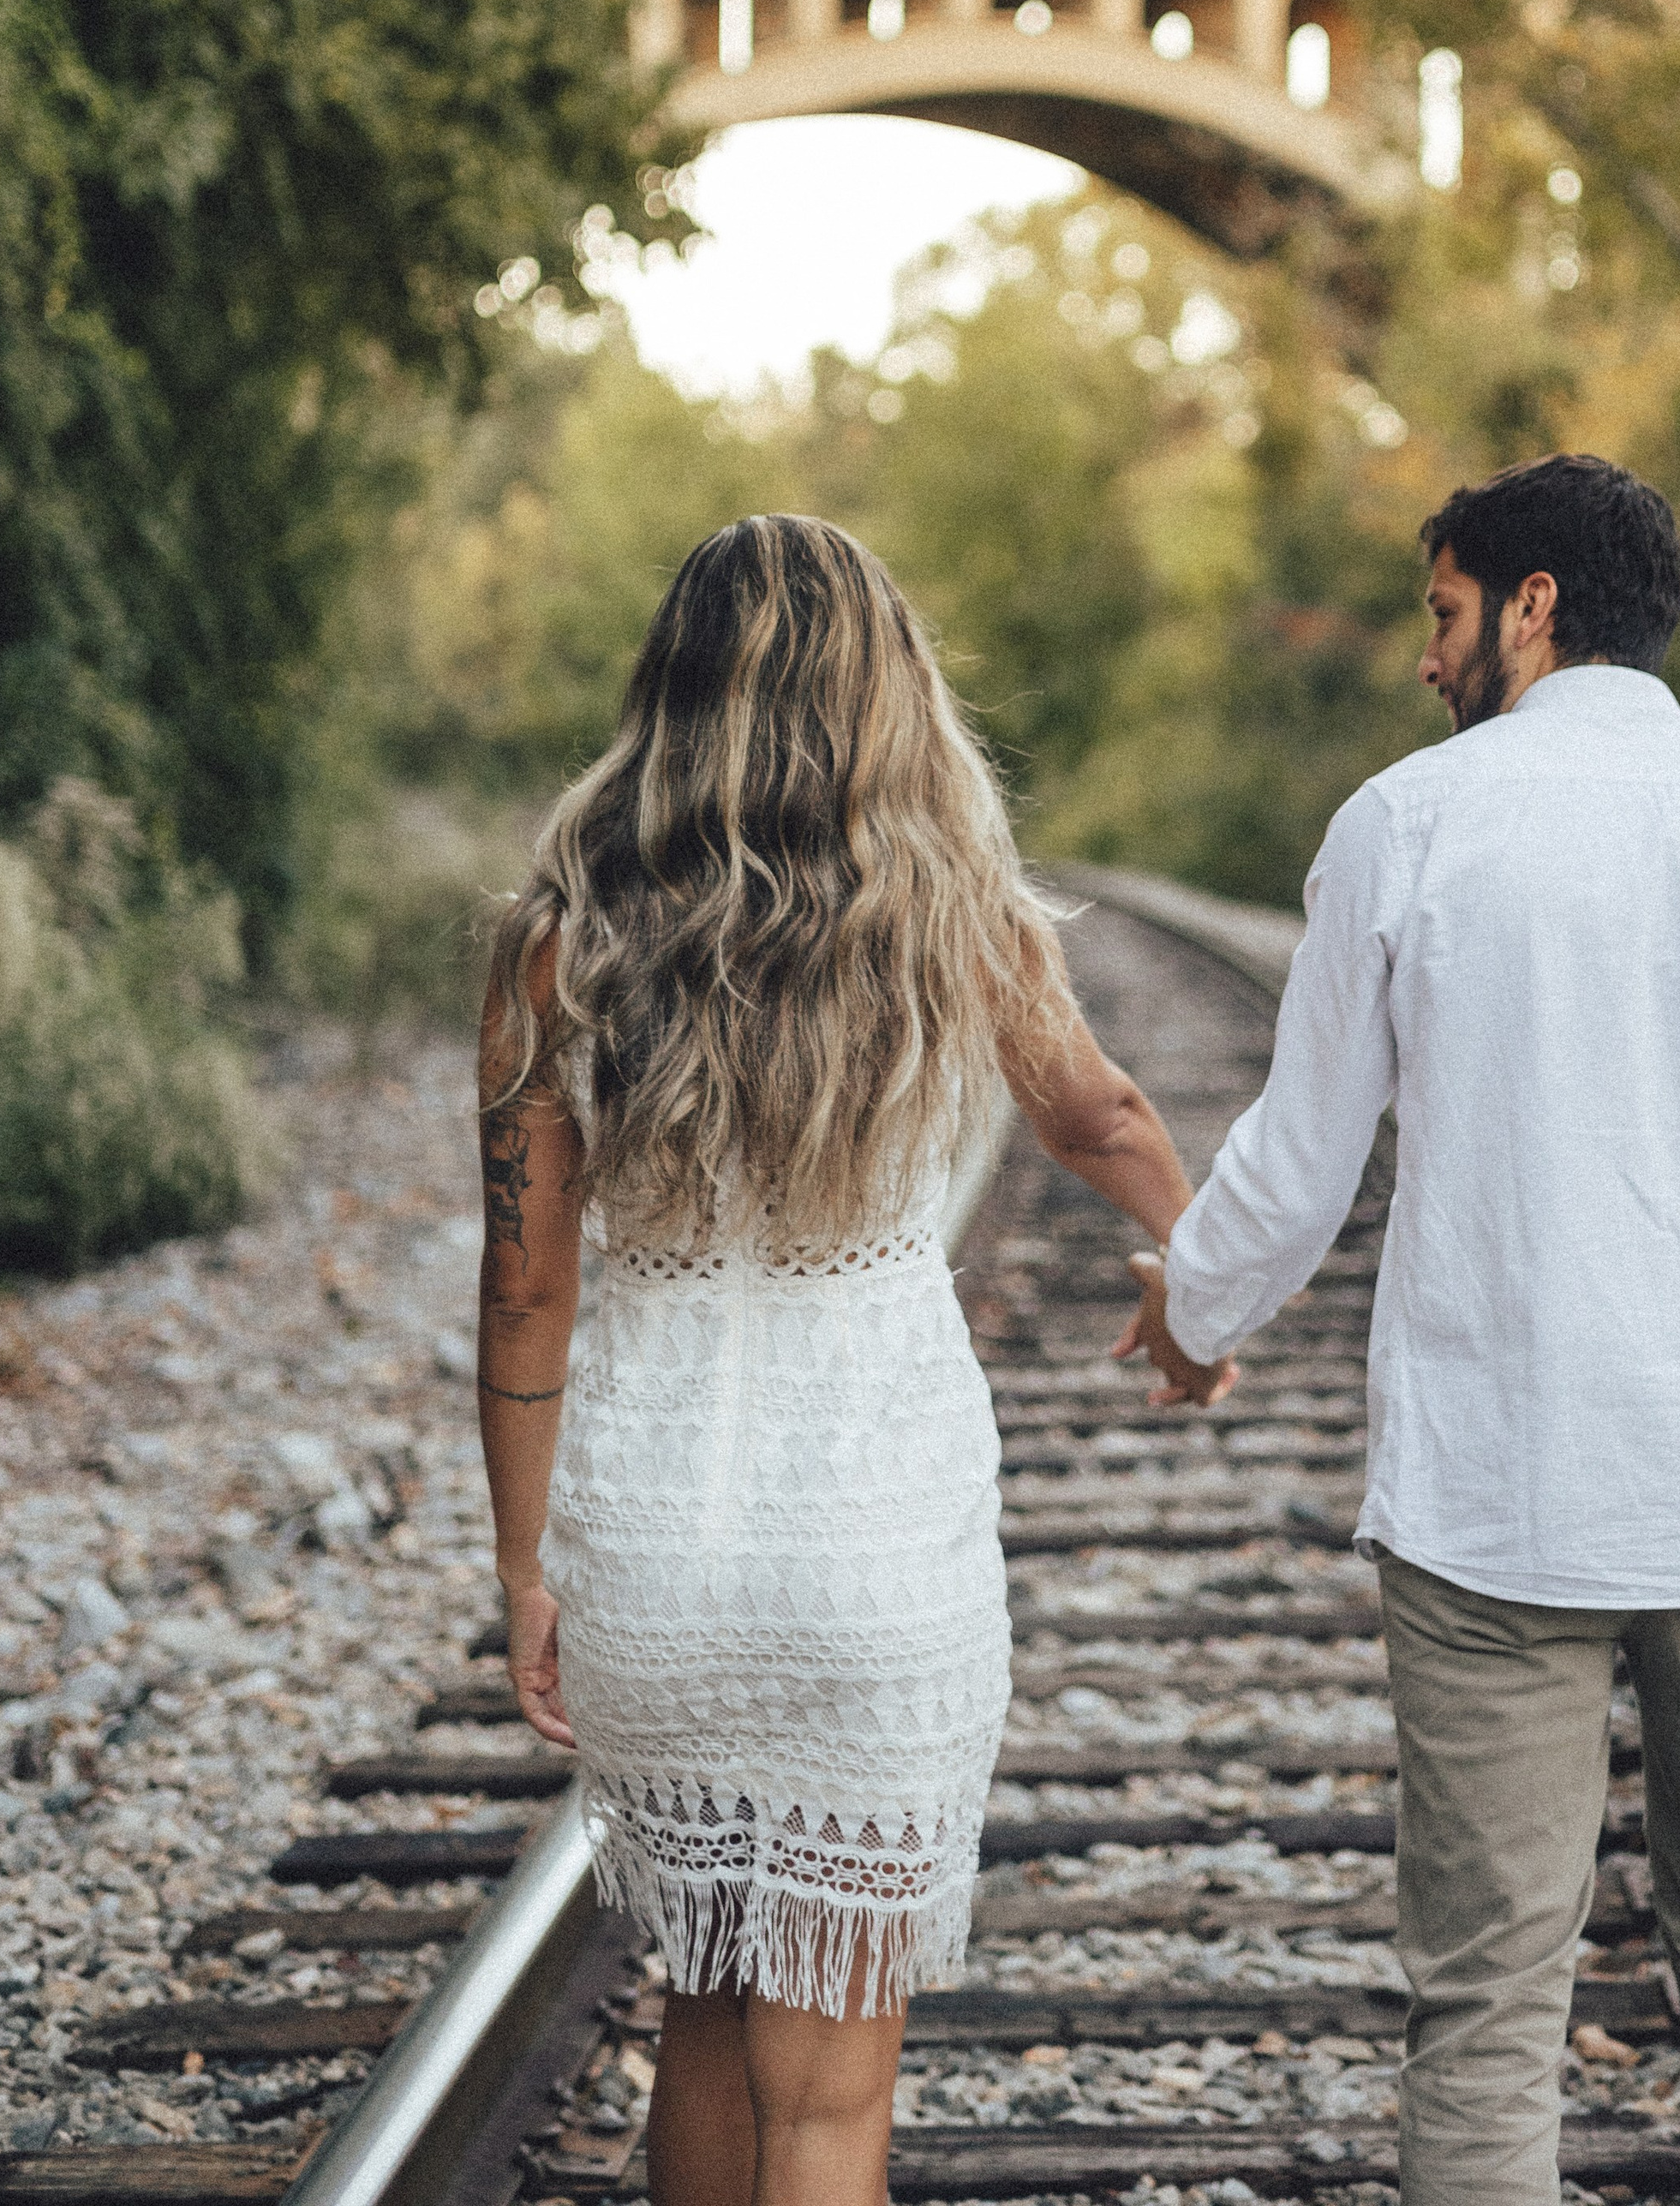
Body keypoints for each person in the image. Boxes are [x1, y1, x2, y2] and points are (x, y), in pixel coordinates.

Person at [1117, 452, 1680, 2206]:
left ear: (1533, 603)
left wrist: (1193, 1313)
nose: (1428, 658)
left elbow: (1298, 1159)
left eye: (1443, 613)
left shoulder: (1409, 827)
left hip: (1499, 1500)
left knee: (1491, 2001)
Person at [472, 515, 1224, 2206]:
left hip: (653, 1555)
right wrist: (1203, 1276)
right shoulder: (952, 915)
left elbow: (524, 1290)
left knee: (705, 1998)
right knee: (825, 2104)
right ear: (891, 695)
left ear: (670, 694)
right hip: (872, 1557)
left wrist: (526, 1566)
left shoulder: (555, 940)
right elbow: (1099, 1115)